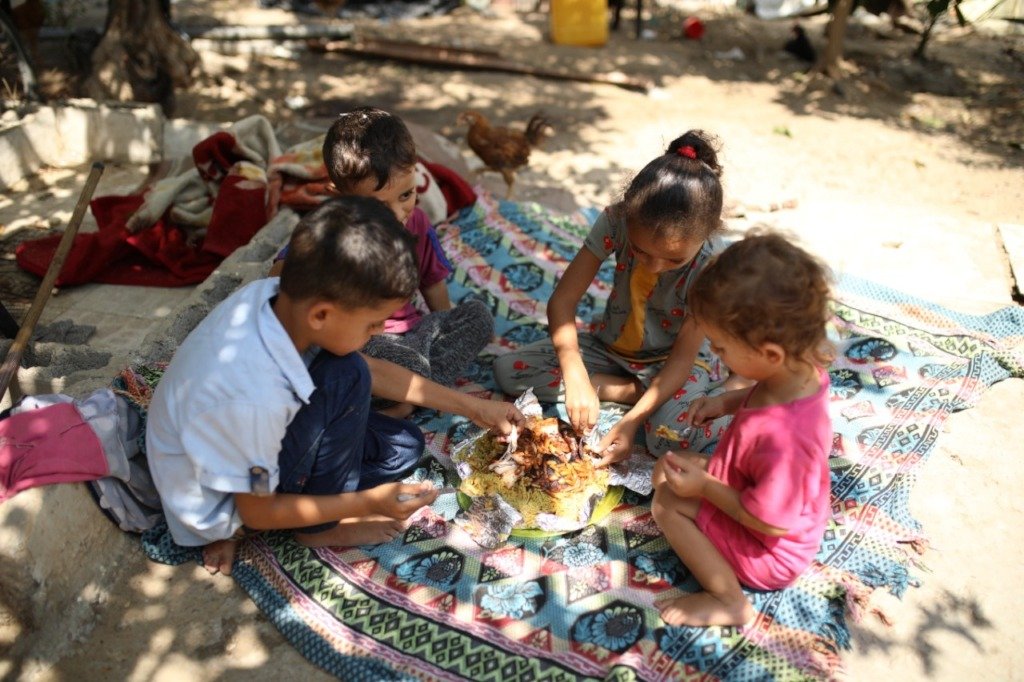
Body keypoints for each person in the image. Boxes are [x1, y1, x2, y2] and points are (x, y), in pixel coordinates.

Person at [148, 196, 524, 576]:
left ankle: (321, 501)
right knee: (348, 375)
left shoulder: (273, 298)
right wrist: (363, 503)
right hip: (225, 502)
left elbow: (376, 370)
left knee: (403, 446)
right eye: (373, 323)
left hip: (239, 448)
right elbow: (256, 510)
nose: (380, 331)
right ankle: (316, 529)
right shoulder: (257, 402)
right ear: (322, 314)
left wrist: (474, 407)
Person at [494, 130, 733, 464]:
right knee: (509, 371)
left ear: (707, 233)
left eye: (673, 260)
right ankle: (632, 391)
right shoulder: (616, 221)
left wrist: (631, 421)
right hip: (613, 347)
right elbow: (563, 301)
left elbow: (680, 361)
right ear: (628, 218)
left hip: (675, 361)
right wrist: (574, 370)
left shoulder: (710, 266)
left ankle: (696, 393)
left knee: (669, 440)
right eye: (640, 251)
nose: (654, 265)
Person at [650, 232, 834, 627]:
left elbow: (769, 521)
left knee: (665, 501)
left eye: (720, 347)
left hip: (769, 550)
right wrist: (724, 402)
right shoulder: (801, 373)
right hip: (767, 501)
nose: (716, 355)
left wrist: (704, 489)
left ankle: (728, 600)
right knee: (671, 465)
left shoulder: (784, 439)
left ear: (769, 353)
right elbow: (759, 389)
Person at [270, 106, 493, 419]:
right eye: (378, 204)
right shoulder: (328, 233)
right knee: (404, 365)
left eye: (406, 195)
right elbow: (279, 281)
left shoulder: (416, 222)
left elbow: (433, 283)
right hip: (365, 339)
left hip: (416, 332)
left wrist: (447, 326)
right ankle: (413, 392)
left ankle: (410, 394)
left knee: (478, 316)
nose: (397, 214)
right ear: (339, 196)